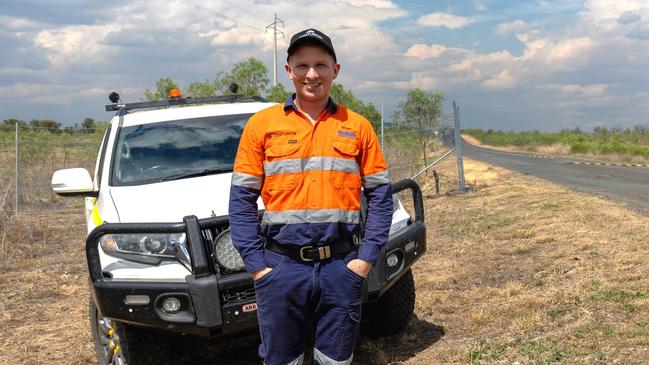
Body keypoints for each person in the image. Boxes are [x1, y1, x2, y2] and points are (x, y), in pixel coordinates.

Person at [229, 28, 393, 365]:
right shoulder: (262, 125)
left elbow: (380, 196)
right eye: (302, 65)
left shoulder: (358, 126)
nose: (312, 74)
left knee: (335, 359)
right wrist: (257, 267)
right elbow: (241, 201)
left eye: (321, 64)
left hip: (341, 266)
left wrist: (364, 260)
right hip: (280, 267)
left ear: (336, 69)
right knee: (281, 359)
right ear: (289, 70)